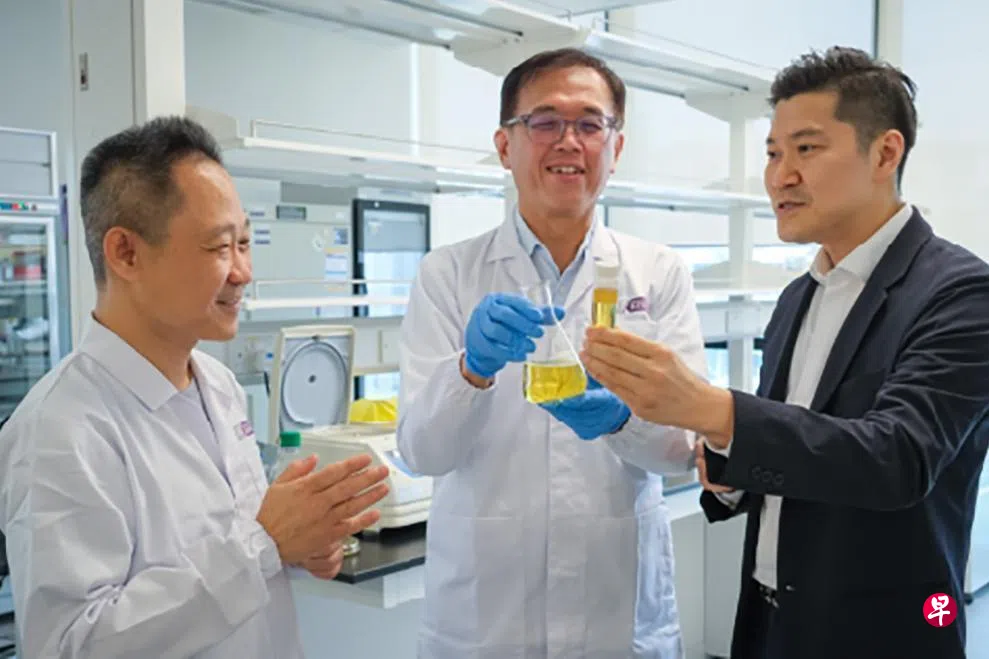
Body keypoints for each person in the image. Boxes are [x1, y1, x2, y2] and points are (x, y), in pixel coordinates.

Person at [581, 47, 989, 659]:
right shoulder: (800, 295)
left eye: (807, 148)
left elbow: (897, 458)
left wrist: (713, 409)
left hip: (884, 633)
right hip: (770, 621)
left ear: (885, 154)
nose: (780, 176)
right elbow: (789, 450)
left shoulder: (960, 293)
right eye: (773, 153)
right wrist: (724, 467)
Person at [0, 117, 391, 658]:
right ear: (126, 253)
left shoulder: (219, 385)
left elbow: (233, 552)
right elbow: (71, 644)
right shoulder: (61, 428)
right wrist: (265, 545)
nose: (243, 272)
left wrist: (297, 547)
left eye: (245, 243)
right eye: (219, 247)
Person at [397, 48, 707, 658]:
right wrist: (471, 371)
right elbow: (422, 451)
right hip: (487, 621)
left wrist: (623, 420)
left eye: (590, 124)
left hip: (616, 611)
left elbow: (684, 451)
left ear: (616, 148)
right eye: (544, 122)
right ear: (504, 145)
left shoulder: (658, 272)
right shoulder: (447, 275)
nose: (569, 141)